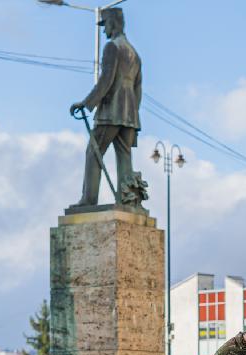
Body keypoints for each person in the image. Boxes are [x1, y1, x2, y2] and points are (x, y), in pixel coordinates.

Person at [68, 7, 141, 207]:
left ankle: (88, 199)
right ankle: (129, 201)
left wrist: (87, 103)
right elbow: (138, 88)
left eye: (105, 25)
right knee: (124, 157)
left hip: (111, 111)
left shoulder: (112, 47)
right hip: (130, 115)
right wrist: (134, 117)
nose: (104, 31)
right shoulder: (134, 53)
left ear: (113, 23)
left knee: (94, 151)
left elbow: (106, 80)